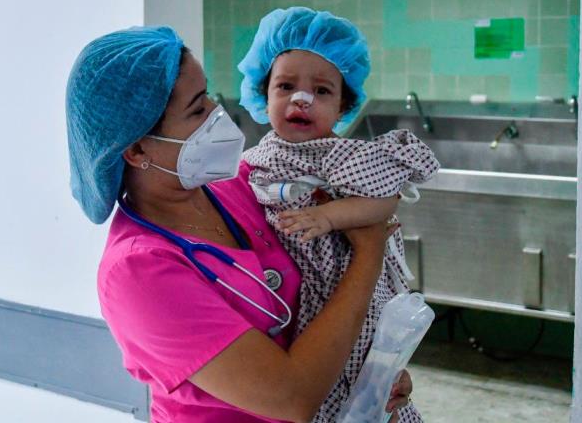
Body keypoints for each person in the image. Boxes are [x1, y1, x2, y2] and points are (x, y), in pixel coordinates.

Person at [65, 26, 413, 423]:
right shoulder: (138, 272)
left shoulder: (243, 184)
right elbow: (291, 396)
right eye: (197, 108)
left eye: (209, 94)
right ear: (137, 149)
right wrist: (369, 254)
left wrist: (370, 375)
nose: (217, 112)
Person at [237, 7, 439, 422]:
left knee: (368, 378)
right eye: (286, 86)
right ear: (263, 94)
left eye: (322, 91)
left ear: (345, 106)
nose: (301, 98)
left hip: (353, 285)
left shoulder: (347, 156)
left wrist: (331, 218)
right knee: (321, 383)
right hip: (303, 301)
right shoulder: (255, 161)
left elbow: (385, 202)